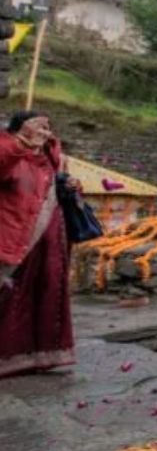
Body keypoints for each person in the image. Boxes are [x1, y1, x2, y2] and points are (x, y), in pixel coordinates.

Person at [0, 111, 76, 377]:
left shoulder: (50, 161)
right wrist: (21, 144)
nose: (44, 132)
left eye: (47, 127)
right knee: (11, 297)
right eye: (37, 127)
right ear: (19, 129)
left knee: (46, 294)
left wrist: (67, 187)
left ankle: (37, 356)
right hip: (15, 237)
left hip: (49, 240)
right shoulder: (10, 152)